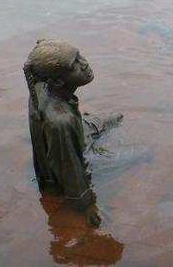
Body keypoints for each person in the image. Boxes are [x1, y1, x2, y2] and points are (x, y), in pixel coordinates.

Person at [24, 40, 122, 227]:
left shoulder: (40, 83)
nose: (84, 63)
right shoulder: (61, 122)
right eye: (75, 64)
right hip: (72, 139)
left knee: (117, 117)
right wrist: (87, 206)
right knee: (145, 153)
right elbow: (72, 172)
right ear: (57, 81)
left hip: (78, 128)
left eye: (79, 55)